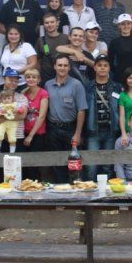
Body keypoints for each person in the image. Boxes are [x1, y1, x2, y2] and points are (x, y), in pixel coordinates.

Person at [45, 54, 88, 183]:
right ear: (55, 66)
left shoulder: (76, 84)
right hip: (53, 129)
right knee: (57, 162)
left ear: (69, 67)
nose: (62, 68)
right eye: (60, 65)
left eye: (65, 65)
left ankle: (76, 188)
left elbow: (81, 110)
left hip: (70, 129)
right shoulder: (48, 85)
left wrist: (78, 134)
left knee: (74, 163)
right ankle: (62, 188)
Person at [0, 68, 29, 155]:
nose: (13, 83)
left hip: (17, 137)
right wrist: (5, 135)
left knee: (17, 163)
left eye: (16, 81)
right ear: (4, 79)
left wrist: (2, 117)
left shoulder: (22, 98)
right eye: (10, 80)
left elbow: (22, 115)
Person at [21, 69, 49, 177]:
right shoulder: (23, 93)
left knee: (33, 165)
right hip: (24, 132)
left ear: (39, 79)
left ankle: (35, 185)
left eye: (34, 77)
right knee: (24, 164)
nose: (31, 79)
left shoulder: (43, 93)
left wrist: (30, 136)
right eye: (28, 77)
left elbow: (42, 116)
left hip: (37, 134)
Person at [107, 13, 132, 83]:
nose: (126, 26)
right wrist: (117, 71)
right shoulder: (114, 42)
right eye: (123, 24)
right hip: (119, 78)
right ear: (119, 26)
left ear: (131, 25)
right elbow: (110, 62)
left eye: (128, 23)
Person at [0, 25, 37, 90]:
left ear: (20, 35)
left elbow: (33, 64)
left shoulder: (26, 46)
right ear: (7, 35)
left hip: (22, 83)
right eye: (11, 34)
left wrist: (16, 72)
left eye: (16, 34)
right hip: (7, 84)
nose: (13, 36)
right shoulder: (5, 47)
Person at [35, 12, 70, 84]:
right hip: (46, 78)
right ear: (44, 25)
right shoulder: (41, 40)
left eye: (52, 22)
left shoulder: (66, 38)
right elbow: (37, 60)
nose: (49, 25)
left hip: (65, 77)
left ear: (57, 23)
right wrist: (38, 75)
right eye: (47, 23)